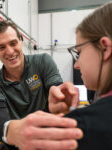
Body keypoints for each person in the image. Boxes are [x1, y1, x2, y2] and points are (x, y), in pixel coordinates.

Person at [0, 20, 83, 150]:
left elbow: (55, 86)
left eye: (13, 43)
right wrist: (13, 131)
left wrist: (59, 94)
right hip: (18, 144)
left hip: (50, 139)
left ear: (21, 41)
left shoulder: (42, 61)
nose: (10, 51)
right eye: (1, 47)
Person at [49, 2, 112, 150]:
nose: (76, 65)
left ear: (105, 48)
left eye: (79, 53)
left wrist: (65, 122)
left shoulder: (81, 129)